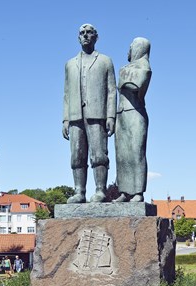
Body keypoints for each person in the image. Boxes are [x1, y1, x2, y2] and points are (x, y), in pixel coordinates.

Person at [62, 23, 117, 203]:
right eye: (82, 33)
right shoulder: (70, 64)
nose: (85, 36)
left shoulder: (105, 61)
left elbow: (111, 90)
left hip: (97, 114)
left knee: (99, 154)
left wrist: (111, 116)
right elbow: (67, 94)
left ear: (96, 37)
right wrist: (65, 119)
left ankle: (100, 190)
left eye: (89, 33)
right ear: (78, 37)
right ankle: (79, 191)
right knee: (77, 155)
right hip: (75, 115)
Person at [113, 37, 152, 202]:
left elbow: (137, 85)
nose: (128, 49)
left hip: (136, 113)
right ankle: (124, 191)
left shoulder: (145, 67)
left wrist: (124, 80)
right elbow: (124, 83)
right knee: (122, 155)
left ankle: (137, 192)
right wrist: (126, 79)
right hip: (121, 114)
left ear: (139, 48)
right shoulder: (125, 68)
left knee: (136, 152)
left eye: (132, 46)